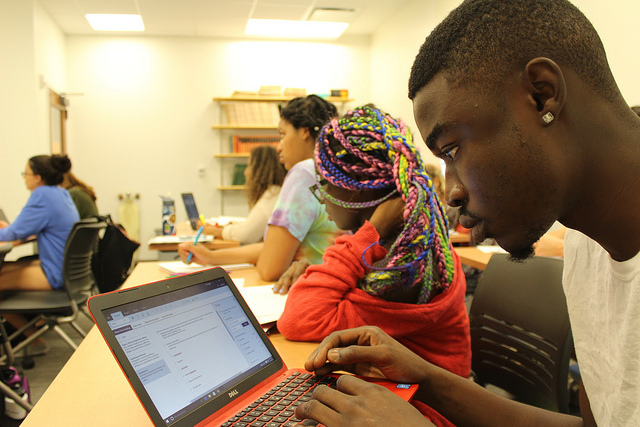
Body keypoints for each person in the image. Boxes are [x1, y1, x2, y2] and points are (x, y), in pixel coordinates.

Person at [291, 1, 640, 426]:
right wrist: (429, 379)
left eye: (454, 150)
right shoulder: (589, 246)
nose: (451, 192)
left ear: (542, 94)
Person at [276, 104, 470, 426]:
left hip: (424, 413)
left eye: (325, 183)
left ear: (357, 189)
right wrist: (322, 268)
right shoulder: (413, 238)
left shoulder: (401, 268)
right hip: (400, 399)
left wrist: (370, 231)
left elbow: (300, 317)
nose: (321, 196)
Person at [178, 95, 341, 281]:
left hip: (314, 289)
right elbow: (276, 247)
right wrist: (212, 257)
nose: (278, 147)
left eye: (282, 135)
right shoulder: (335, 171)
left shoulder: (304, 172)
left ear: (304, 132)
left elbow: (269, 269)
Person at [0, 154, 80, 353]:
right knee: (9, 267)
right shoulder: (61, 193)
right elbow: (27, 229)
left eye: (25, 174)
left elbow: (14, 232)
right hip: (70, 272)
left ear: (37, 177)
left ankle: (33, 339)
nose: (24, 178)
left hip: (55, 274)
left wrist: (6, 231)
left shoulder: (42, 195)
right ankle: (34, 332)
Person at [201, 145, 286, 244]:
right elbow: (250, 226)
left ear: (261, 170)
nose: (245, 172)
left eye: (249, 166)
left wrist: (215, 231)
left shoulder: (271, 196)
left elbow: (244, 235)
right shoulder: (275, 192)